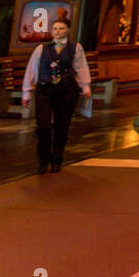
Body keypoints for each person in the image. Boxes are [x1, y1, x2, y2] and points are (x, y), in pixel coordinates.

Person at [21, 18, 91, 174]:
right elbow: (32, 69)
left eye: (61, 28)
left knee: (62, 125)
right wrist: (26, 91)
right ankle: (43, 159)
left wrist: (85, 86)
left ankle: (57, 159)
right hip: (45, 89)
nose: (58, 31)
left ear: (68, 30)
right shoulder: (41, 49)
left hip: (66, 90)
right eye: (55, 28)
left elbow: (81, 68)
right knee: (43, 125)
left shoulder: (76, 48)